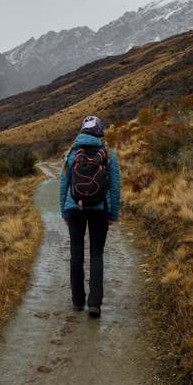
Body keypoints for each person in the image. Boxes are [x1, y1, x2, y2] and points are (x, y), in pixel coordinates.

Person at [59, 115, 121, 318]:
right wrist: (112, 214)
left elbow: (63, 185)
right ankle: (94, 304)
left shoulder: (71, 154)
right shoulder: (109, 155)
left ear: (82, 131)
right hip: (99, 209)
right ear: (100, 132)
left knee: (76, 254)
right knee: (96, 254)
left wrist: (65, 211)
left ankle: (77, 301)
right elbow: (115, 188)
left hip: (74, 209)